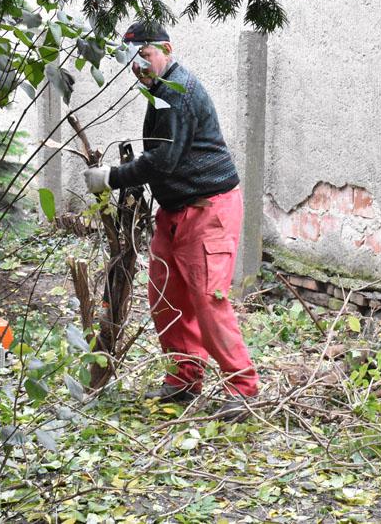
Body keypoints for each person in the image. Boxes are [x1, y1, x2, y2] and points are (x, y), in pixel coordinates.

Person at [84, 21, 259, 421]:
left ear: (166, 49)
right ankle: (184, 378)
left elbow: (165, 160)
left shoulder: (179, 92)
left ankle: (244, 389)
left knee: (209, 300)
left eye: (145, 56)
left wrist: (112, 177)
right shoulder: (161, 90)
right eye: (132, 60)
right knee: (165, 298)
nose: (138, 66)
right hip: (175, 211)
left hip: (208, 209)